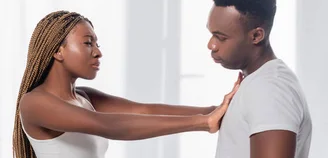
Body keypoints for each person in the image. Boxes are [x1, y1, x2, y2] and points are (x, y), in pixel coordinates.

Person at [13, 10, 242, 158]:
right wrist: (202, 123)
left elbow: (145, 110)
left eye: (97, 43)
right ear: (57, 51)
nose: (98, 52)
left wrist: (213, 110)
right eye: (88, 43)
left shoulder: (84, 98)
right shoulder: (35, 103)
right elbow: (107, 125)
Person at [206, 0, 313, 158]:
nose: (211, 45)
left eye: (220, 37)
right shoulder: (257, 81)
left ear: (256, 35)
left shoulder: (270, 88)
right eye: (211, 34)